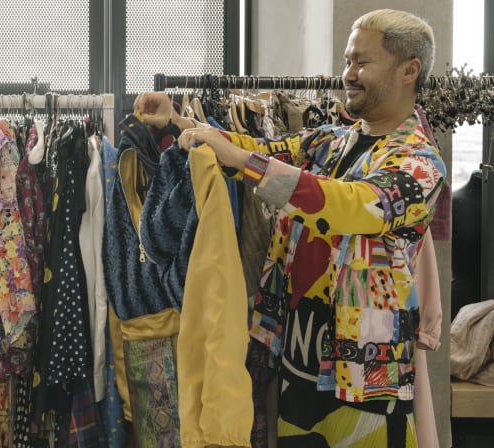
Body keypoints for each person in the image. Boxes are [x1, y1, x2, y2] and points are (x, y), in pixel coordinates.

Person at [140, 8, 446, 447]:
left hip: (366, 376)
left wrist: (245, 161)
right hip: (301, 364)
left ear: (409, 70)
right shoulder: (332, 141)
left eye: (362, 62)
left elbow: (347, 206)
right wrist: (179, 122)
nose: (349, 73)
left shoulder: (420, 164)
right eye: (346, 60)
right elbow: (252, 148)